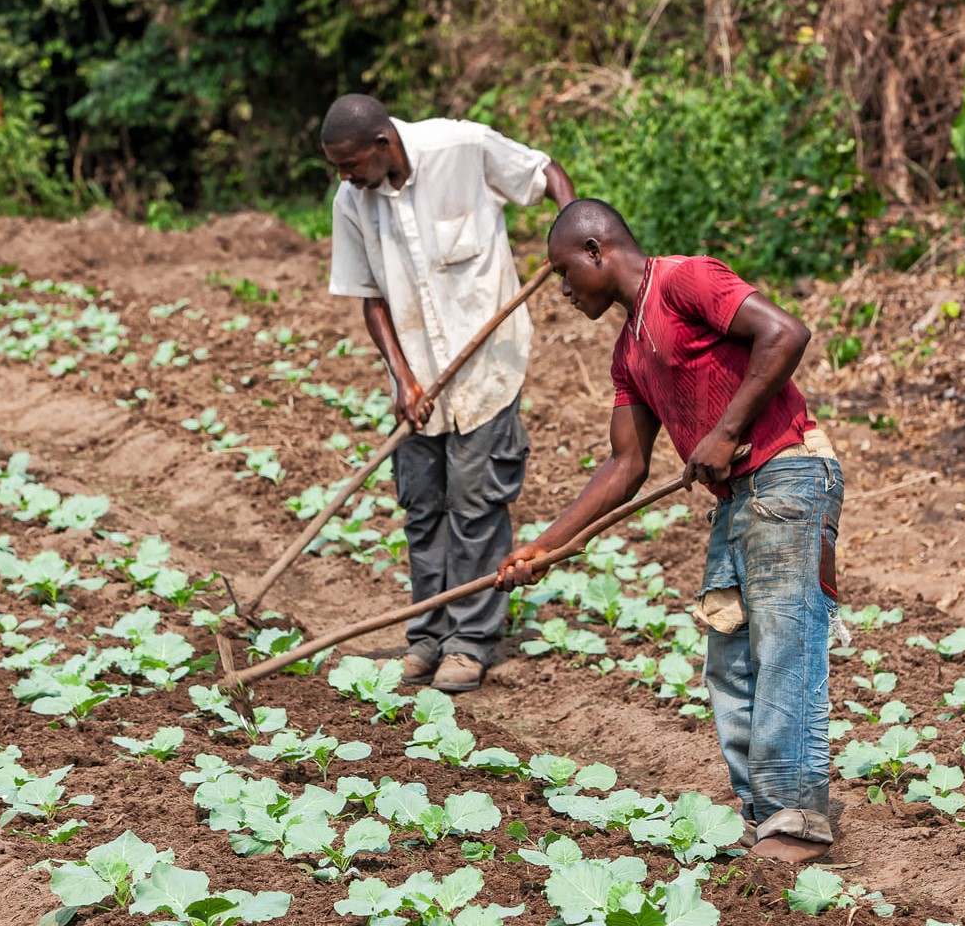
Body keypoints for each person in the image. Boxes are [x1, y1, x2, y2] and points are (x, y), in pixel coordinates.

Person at [495, 199, 843, 864]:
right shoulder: (629, 353)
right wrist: (544, 546)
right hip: (739, 498)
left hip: (790, 474)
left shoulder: (685, 281)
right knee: (730, 659)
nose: (563, 291)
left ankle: (798, 820)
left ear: (597, 251)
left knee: (784, 644)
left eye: (566, 273)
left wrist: (728, 429)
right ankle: (765, 815)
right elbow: (625, 465)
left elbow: (786, 333)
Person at [321, 93, 576, 693]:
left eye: (351, 163)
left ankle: (470, 641)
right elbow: (372, 299)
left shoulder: (460, 147)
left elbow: (546, 174)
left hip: (488, 370)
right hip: (416, 386)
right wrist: (405, 378)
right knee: (423, 510)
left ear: (383, 144)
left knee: (476, 507)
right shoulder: (352, 201)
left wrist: (573, 234)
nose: (345, 176)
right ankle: (426, 635)